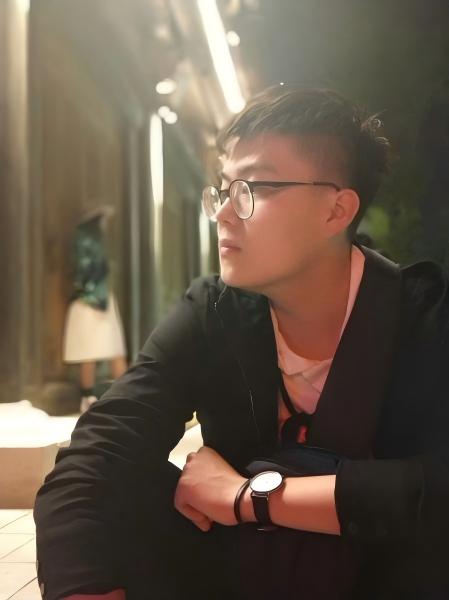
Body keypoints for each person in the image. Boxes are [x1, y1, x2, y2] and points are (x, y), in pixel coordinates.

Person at [35, 86, 449, 600]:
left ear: (336, 210)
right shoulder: (214, 311)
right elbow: (101, 448)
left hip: (383, 580)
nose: (225, 214)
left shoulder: (424, 316)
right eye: (224, 190)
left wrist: (247, 497)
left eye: (253, 187)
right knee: (121, 485)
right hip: (242, 577)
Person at [63, 206, 127, 412]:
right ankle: (95, 396)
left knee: (108, 350)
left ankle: (120, 395)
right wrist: (90, 290)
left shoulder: (90, 239)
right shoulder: (87, 239)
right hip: (93, 298)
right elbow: (87, 267)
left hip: (97, 296)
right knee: (92, 350)